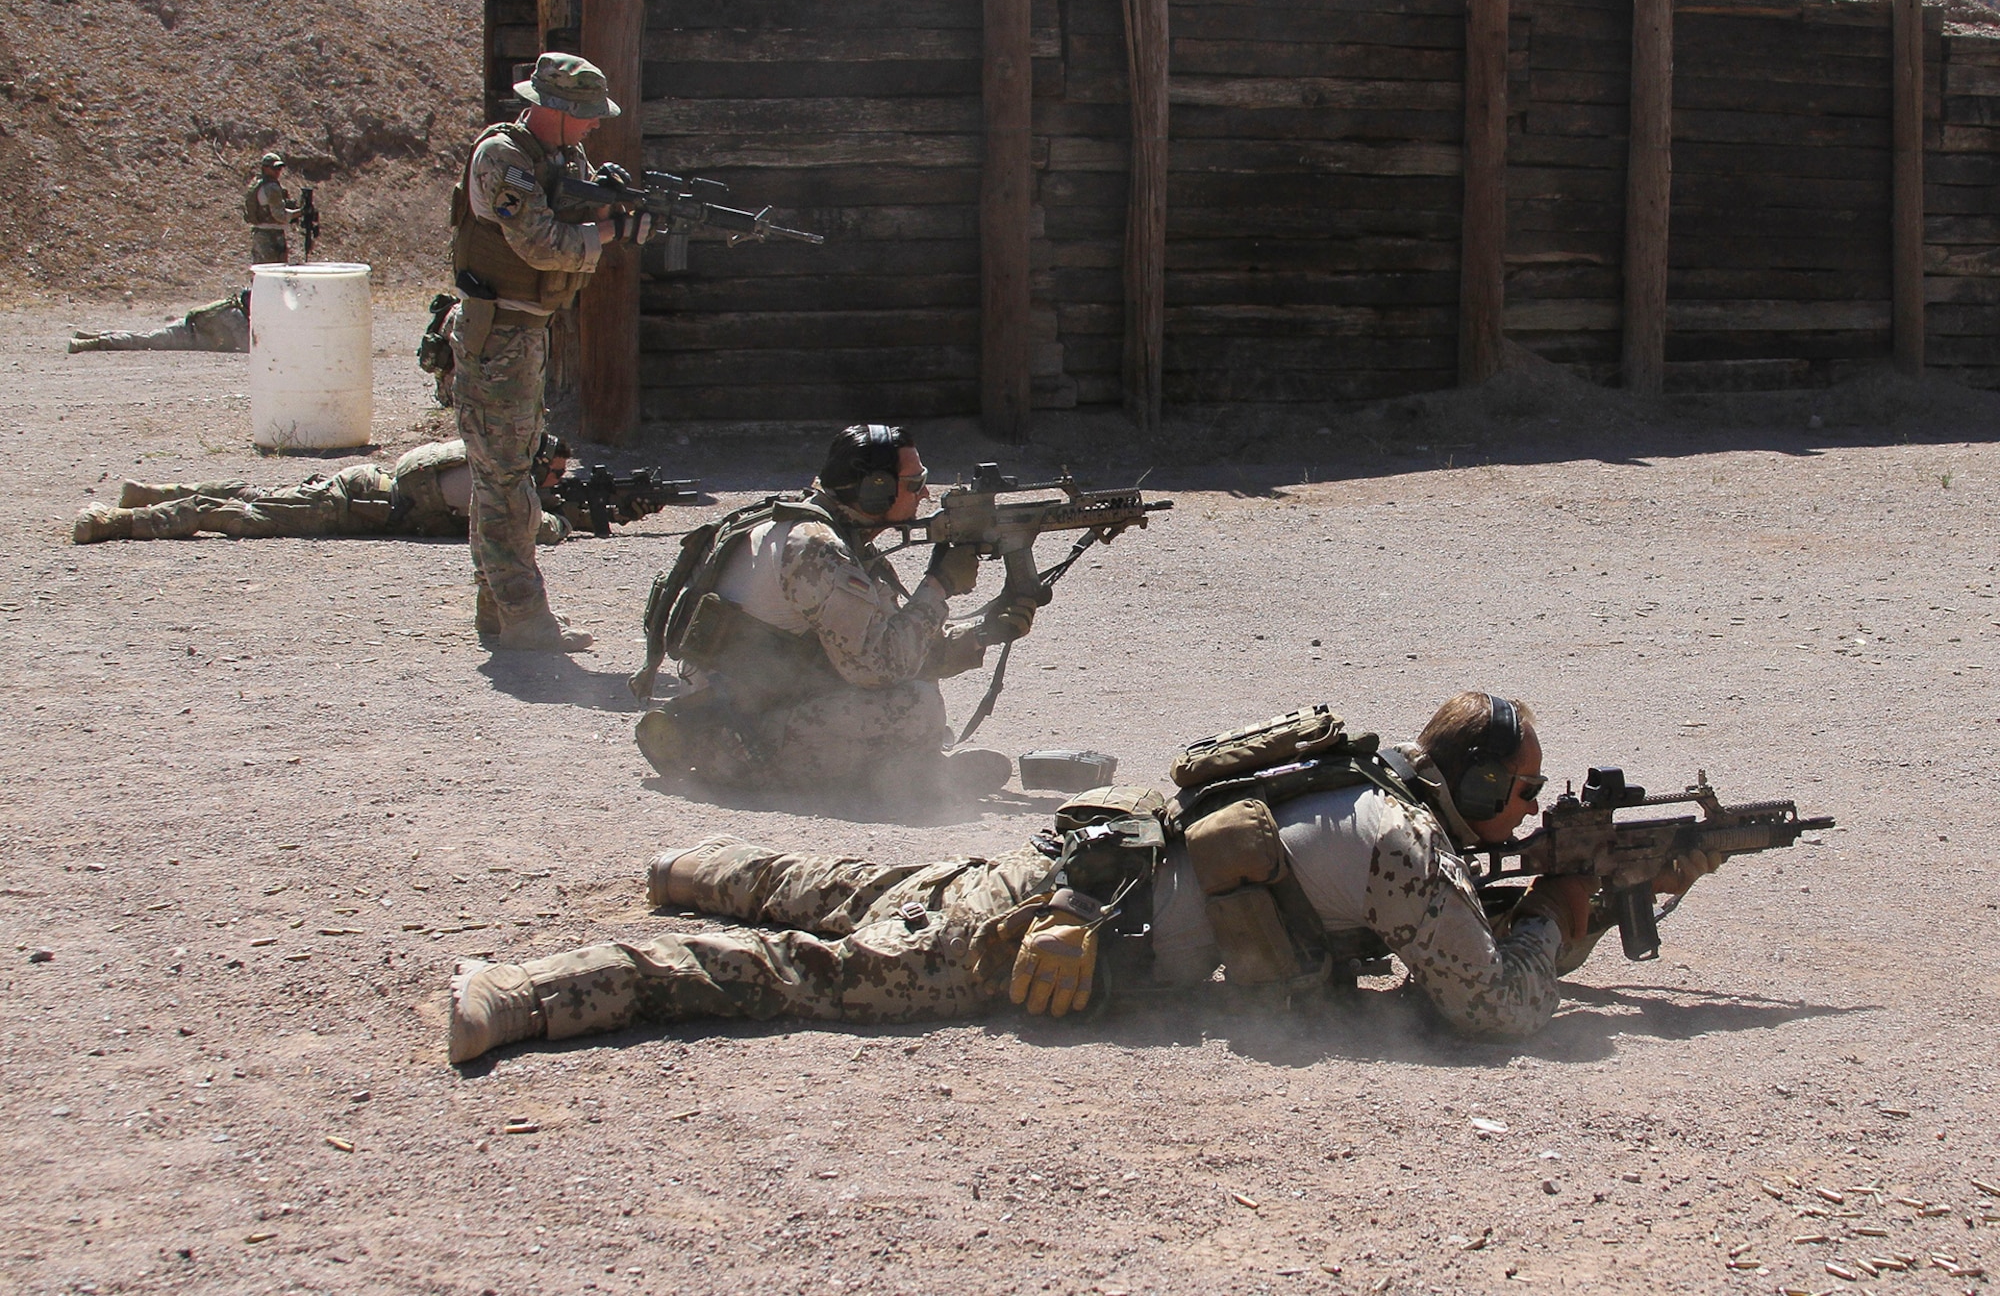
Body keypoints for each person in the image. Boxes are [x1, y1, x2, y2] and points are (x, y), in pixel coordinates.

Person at [447, 692, 1724, 1063]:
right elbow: (1489, 1006)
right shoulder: (1407, 845)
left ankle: (699, 863)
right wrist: (1562, 919)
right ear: (1475, 783)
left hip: (1063, 865)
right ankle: (534, 989)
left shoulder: (1364, 778)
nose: (1526, 808)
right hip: (1056, 928)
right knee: (819, 972)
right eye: (1518, 789)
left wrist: (1537, 896)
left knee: (874, 883)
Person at [630, 423, 1032, 800]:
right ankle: (908, 778)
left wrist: (982, 635)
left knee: (912, 699)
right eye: (915, 484)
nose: (925, 495)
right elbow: (878, 667)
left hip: (752, 712)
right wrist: (938, 586)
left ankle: (905, 771)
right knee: (916, 706)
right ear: (876, 491)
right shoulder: (816, 549)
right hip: (738, 741)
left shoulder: (822, 533)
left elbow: (882, 641)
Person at [446, 51, 653, 654]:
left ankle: (500, 614)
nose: (594, 125)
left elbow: (571, 212)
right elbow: (540, 245)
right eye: (586, 115)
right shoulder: (503, 159)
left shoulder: (563, 158)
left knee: (502, 476)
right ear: (553, 110)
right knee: (508, 482)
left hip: (525, 334)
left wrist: (614, 203)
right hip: (498, 335)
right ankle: (527, 621)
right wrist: (614, 231)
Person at [71, 435, 572, 580]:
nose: (554, 482)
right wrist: (561, 521)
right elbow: (520, 524)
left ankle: (148, 492)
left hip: (360, 488)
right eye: (554, 474)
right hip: (350, 505)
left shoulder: (479, 449)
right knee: (236, 517)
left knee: (252, 496)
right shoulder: (492, 478)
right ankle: (117, 522)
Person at [68, 290, 250, 354]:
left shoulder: (231, 306)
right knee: (143, 341)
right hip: (185, 336)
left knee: (144, 336)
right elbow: (247, 345)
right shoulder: (235, 315)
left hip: (185, 329)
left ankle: (98, 335)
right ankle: (93, 343)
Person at [245, 154, 301, 265]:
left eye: (279, 169)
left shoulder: (257, 183)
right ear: (265, 168)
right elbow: (280, 216)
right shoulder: (272, 188)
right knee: (275, 274)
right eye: (274, 168)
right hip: (272, 236)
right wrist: (300, 213)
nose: (278, 172)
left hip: (260, 234)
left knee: (262, 273)